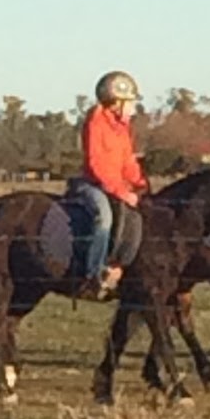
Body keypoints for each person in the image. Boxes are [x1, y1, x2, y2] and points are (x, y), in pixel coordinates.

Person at [69, 71, 148, 298]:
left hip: (116, 186)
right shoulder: (95, 123)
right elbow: (97, 165)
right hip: (93, 185)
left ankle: (122, 269)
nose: (133, 108)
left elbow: (128, 161)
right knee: (104, 217)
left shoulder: (122, 128)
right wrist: (120, 191)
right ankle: (93, 275)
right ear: (115, 103)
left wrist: (140, 183)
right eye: (130, 102)